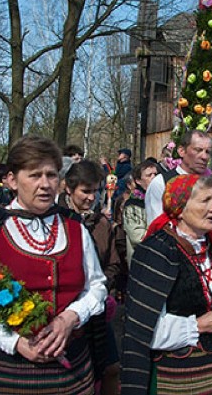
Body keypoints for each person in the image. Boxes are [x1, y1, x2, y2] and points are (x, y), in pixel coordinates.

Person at [0, 136, 108, 394]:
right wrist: (15, 342)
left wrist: (70, 318)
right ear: (12, 180)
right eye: (34, 175)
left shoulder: (74, 226)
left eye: (51, 175)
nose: (45, 184)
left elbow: (97, 287)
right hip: (12, 373)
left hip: (74, 371)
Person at [121, 174, 212, 395]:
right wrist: (199, 326)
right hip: (177, 380)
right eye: (205, 201)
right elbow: (142, 330)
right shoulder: (157, 251)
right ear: (180, 208)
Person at [62, 159, 123, 395]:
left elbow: (114, 263)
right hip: (69, 310)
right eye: (85, 191)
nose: (91, 197)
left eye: (96, 191)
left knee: (111, 368)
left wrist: (102, 288)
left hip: (97, 307)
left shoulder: (101, 223)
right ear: (69, 189)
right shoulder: (60, 220)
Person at [145, 130, 212, 233]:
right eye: (198, 150)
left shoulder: (210, 186)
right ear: (181, 151)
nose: (204, 157)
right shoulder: (161, 183)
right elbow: (157, 226)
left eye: (207, 152)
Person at [123, 160, 158, 267]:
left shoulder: (162, 199)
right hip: (142, 261)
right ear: (138, 180)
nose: (154, 177)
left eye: (156, 174)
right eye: (149, 175)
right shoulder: (132, 205)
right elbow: (137, 236)